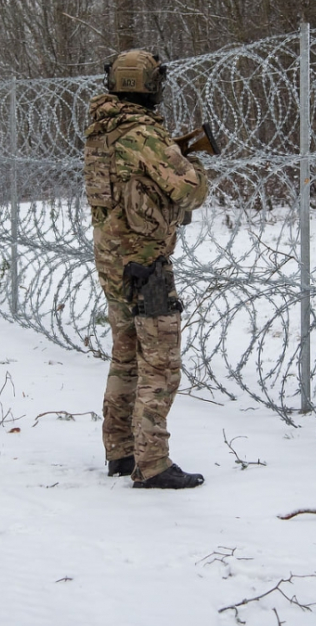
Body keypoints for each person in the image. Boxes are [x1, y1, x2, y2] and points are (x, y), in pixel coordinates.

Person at [83, 49, 209, 489]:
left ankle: (120, 450)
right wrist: (192, 162)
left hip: (112, 257)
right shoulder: (142, 133)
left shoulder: (102, 129)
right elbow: (189, 191)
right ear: (152, 84)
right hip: (146, 260)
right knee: (161, 363)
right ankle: (152, 463)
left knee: (125, 356)